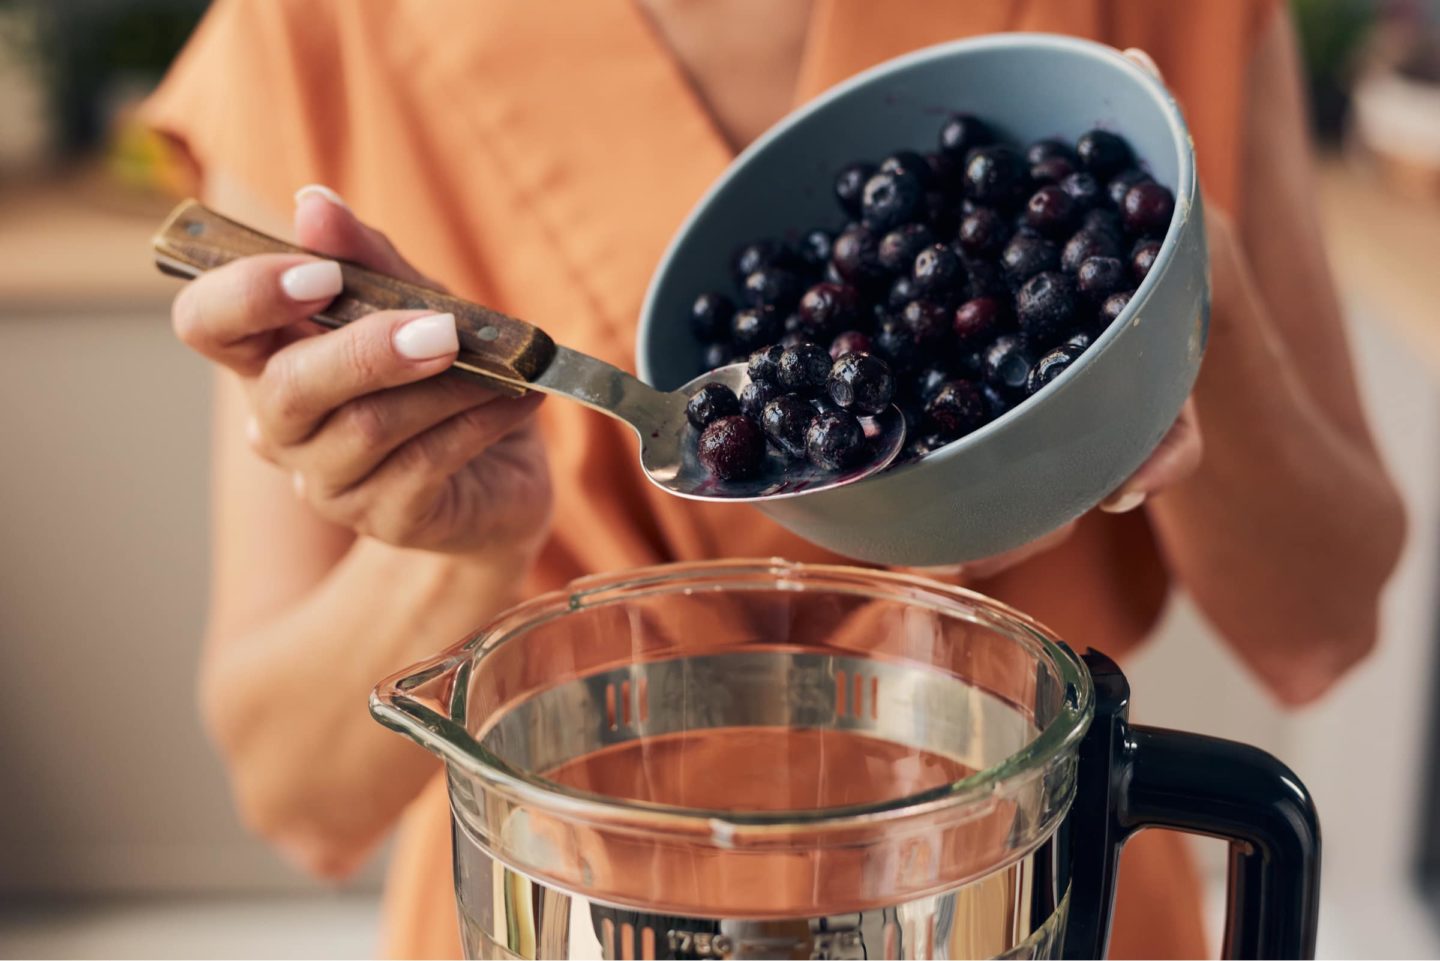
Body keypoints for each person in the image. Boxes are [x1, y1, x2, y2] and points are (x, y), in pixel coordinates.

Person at [144, 1, 1405, 956]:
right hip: (572, 913)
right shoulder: (314, 29)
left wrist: (1184, 301)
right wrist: (470, 549)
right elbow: (296, 796)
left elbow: (1323, 627)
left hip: (1025, 898)